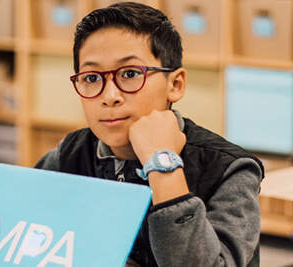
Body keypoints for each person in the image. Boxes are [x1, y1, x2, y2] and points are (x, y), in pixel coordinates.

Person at [35, 2, 264, 266]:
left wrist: (162, 164)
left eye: (130, 73)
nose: (109, 97)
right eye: (91, 78)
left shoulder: (229, 169)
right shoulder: (69, 155)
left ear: (175, 85)